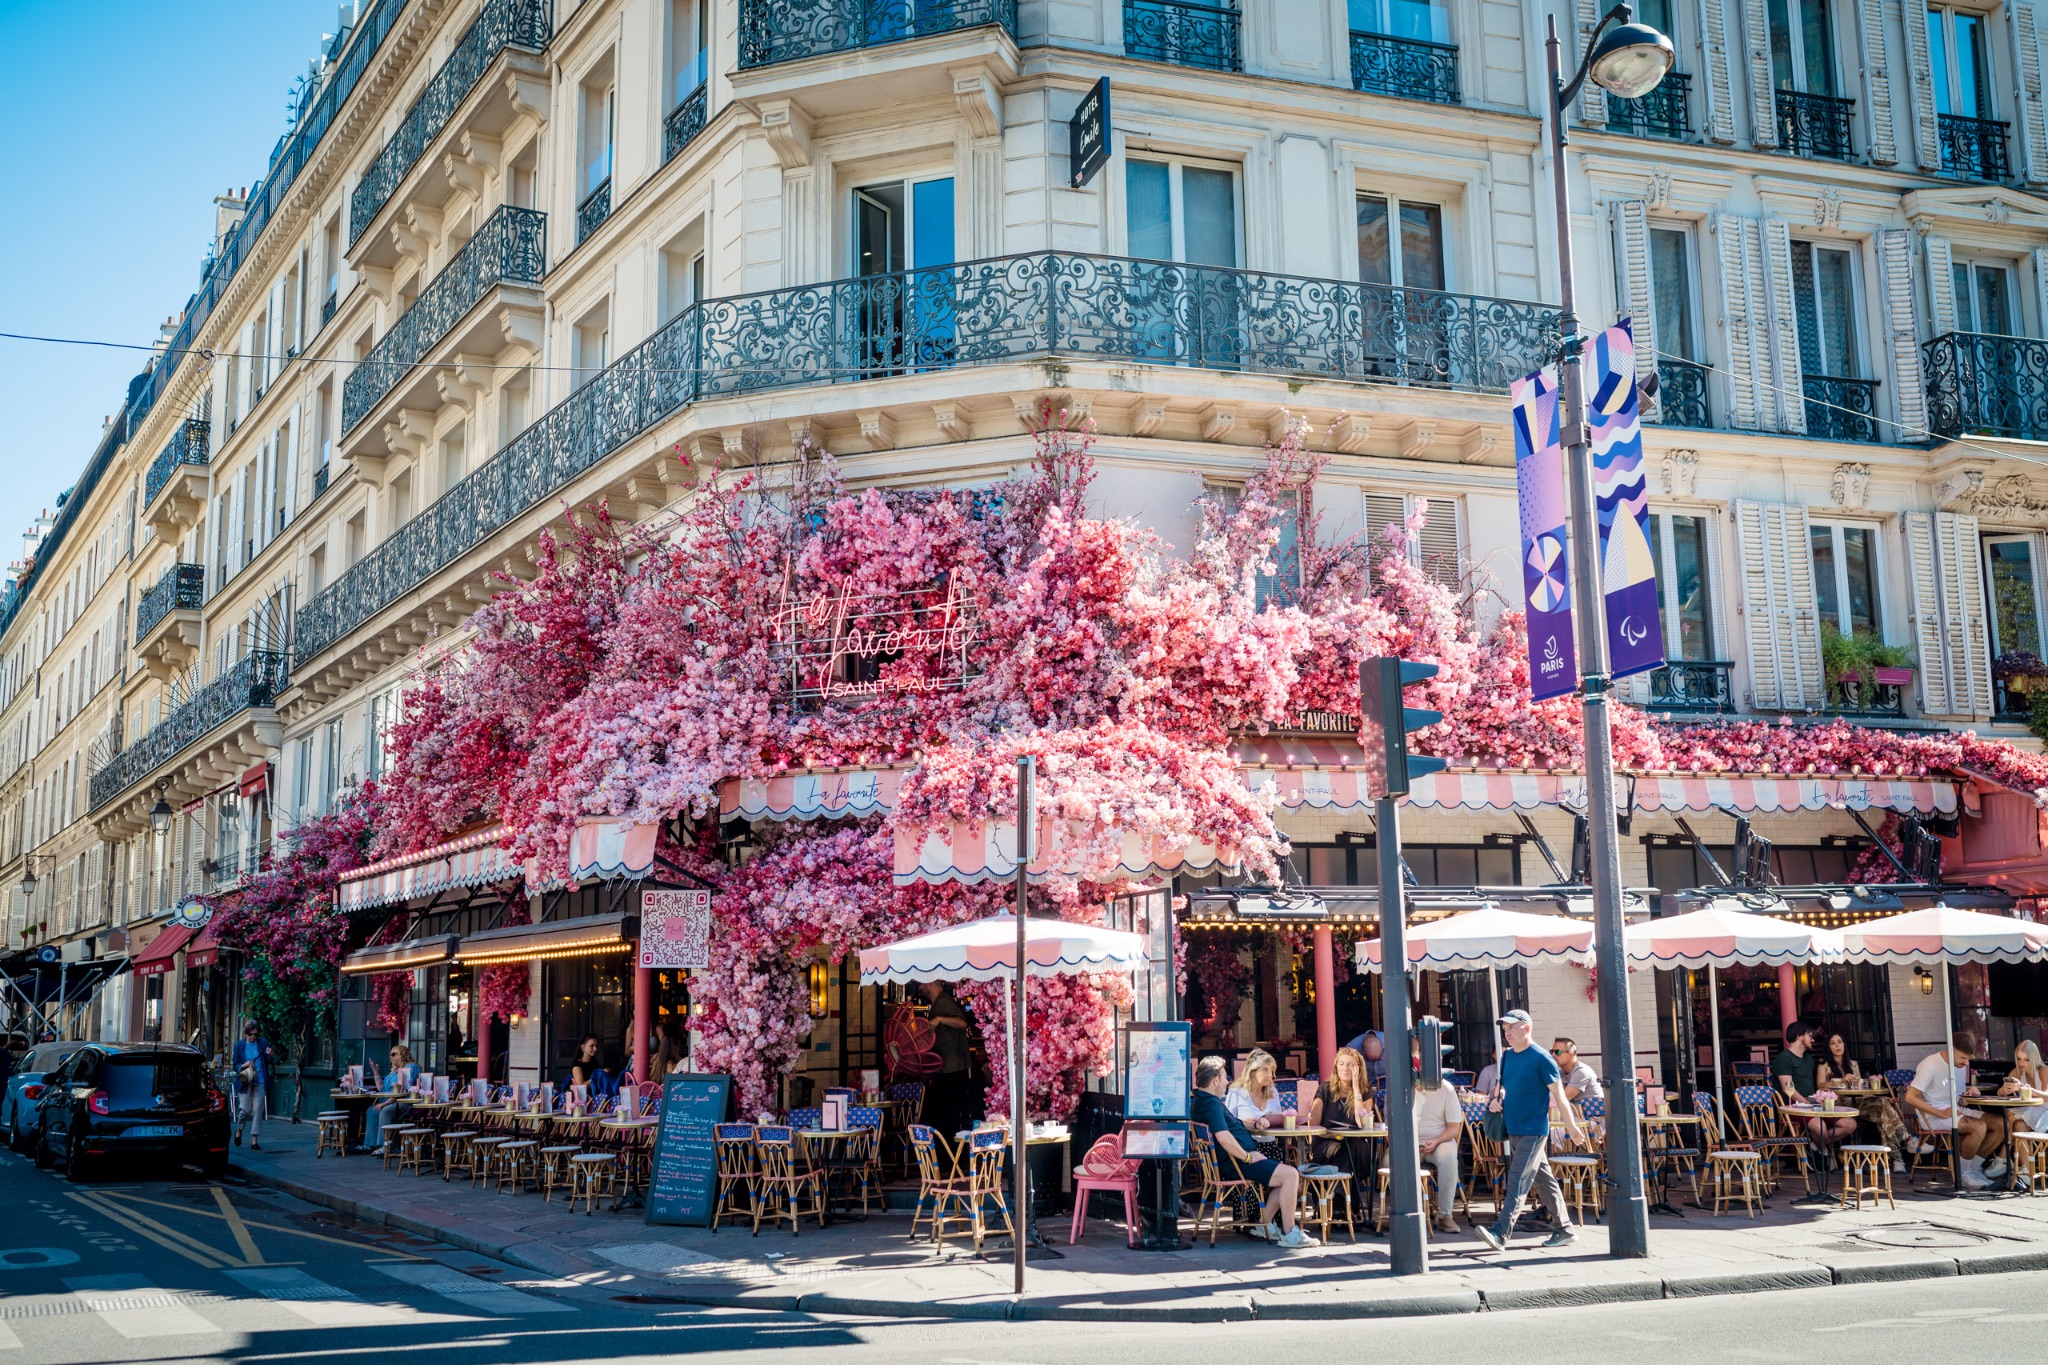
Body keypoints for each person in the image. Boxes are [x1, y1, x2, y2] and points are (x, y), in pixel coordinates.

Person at [1475, 1009, 1584, 1252]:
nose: (1507, 1033)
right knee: (1543, 1180)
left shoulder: (1543, 1058)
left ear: (1526, 1028)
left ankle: (1501, 1233)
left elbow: (1560, 1097)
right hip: (1513, 1127)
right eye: (1505, 1029)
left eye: (1511, 1028)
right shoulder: (1506, 1057)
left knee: (1517, 1180)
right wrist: (1497, 1100)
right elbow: (1503, 1089)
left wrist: (1572, 1127)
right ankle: (1565, 1229)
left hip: (1534, 1130)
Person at [1191, 1054, 1318, 1249]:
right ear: (1215, 1080)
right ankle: (1289, 1233)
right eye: (1225, 1077)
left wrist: (1252, 1125)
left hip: (1234, 1161)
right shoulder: (1211, 1104)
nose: (1227, 1081)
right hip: (1238, 1164)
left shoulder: (1202, 1100)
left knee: (1286, 1176)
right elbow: (1224, 1137)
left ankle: (1263, 1223)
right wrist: (1249, 1157)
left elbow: (1230, 1128)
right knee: (1291, 1174)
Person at [1905, 1030, 2008, 1189]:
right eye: (1963, 1057)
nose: (1966, 1062)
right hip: (1934, 1115)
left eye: (1969, 1058)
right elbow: (1910, 1097)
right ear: (1950, 1050)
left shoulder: (1959, 1064)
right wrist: (1939, 1112)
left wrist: (1968, 1096)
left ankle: (1973, 1169)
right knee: (1978, 1127)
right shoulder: (1930, 1064)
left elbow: (1958, 1098)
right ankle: (1963, 1174)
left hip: (1955, 1109)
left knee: (2001, 1123)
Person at [1774, 1020, 1856, 1154]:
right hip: (1794, 1106)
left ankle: (1813, 1147)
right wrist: (1806, 1103)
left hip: (1813, 1103)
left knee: (1850, 1124)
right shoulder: (1784, 1058)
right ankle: (1822, 1153)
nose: (1812, 1040)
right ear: (1799, 1036)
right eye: (1810, 1036)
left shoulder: (1808, 1059)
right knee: (1820, 1128)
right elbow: (1788, 1089)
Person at [1411, 1036, 1465, 1234]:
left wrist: (1436, 1141)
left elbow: (1454, 1127)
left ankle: (1445, 1215)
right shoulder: (1402, 1088)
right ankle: (1411, 1210)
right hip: (1410, 1142)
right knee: (1390, 1160)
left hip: (1438, 1140)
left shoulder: (1446, 1088)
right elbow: (1391, 1126)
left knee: (1449, 1156)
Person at [1310, 1046, 1377, 1195]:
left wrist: (1356, 1088)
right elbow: (1312, 1124)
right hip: (1326, 1141)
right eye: (1341, 1064)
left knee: (1352, 1146)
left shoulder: (1364, 1090)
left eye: (1350, 1064)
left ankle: (1337, 1197)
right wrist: (1332, 1136)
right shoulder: (1325, 1088)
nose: (1345, 1068)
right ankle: (1344, 1200)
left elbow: (1362, 1123)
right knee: (1345, 1152)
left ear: (1358, 1068)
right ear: (1336, 1067)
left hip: (1355, 1145)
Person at [921, 981, 973, 1135]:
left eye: (921, 983)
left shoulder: (944, 1002)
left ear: (930, 983)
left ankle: (947, 1153)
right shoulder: (939, 1003)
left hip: (951, 1069)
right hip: (944, 1068)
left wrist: (940, 1019)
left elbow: (962, 1023)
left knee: (945, 1116)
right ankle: (946, 1152)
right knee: (942, 1116)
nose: (919, 987)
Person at [364, 1044, 421, 1150]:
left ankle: (386, 1144)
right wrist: (375, 1072)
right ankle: (371, 1144)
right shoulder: (393, 1072)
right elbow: (381, 1088)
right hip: (390, 1100)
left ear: (402, 1055)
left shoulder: (410, 1067)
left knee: (385, 1110)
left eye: (394, 1054)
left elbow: (401, 1089)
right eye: (390, 1055)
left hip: (404, 1101)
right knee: (372, 1110)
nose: (391, 1057)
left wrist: (385, 1103)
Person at [230, 1020, 273, 1151]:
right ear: (246, 1033)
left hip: (260, 1081)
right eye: (251, 1034)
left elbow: (270, 1060)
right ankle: (239, 1129)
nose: (253, 1037)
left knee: (258, 1110)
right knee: (245, 1109)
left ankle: (254, 1140)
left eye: (256, 1034)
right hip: (245, 1081)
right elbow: (235, 1065)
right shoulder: (239, 1046)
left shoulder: (263, 1043)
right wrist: (243, 1065)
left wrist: (271, 1055)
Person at [1225, 1049, 1287, 1137]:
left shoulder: (1273, 1091)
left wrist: (1274, 1118)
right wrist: (1247, 1123)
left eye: (1271, 1070)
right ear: (1252, 1071)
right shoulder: (1236, 1092)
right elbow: (1228, 1123)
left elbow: (1280, 1125)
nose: (1270, 1075)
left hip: (1270, 1145)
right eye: (1265, 1070)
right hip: (1245, 1146)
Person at [2003, 1040, 2048, 1134]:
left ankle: (2006, 1148)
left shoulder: (2044, 1070)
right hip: (2032, 1111)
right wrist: (2004, 1090)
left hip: (2045, 1112)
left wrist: (2026, 1089)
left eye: (2026, 1060)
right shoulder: (2016, 1072)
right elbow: (2000, 1093)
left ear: (2034, 1058)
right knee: (2018, 1125)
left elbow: (2046, 1096)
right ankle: (2012, 1149)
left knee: (2011, 1116)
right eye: (2019, 1059)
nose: (2021, 1063)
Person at [1552, 1038, 1602, 1103]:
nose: (1553, 1055)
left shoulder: (1582, 1072)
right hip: (1576, 1111)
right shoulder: (1561, 1072)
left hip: (1590, 1112)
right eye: (1552, 1051)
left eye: (1557, 1052)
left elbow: (1561, 1100)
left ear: (1571, 1055)